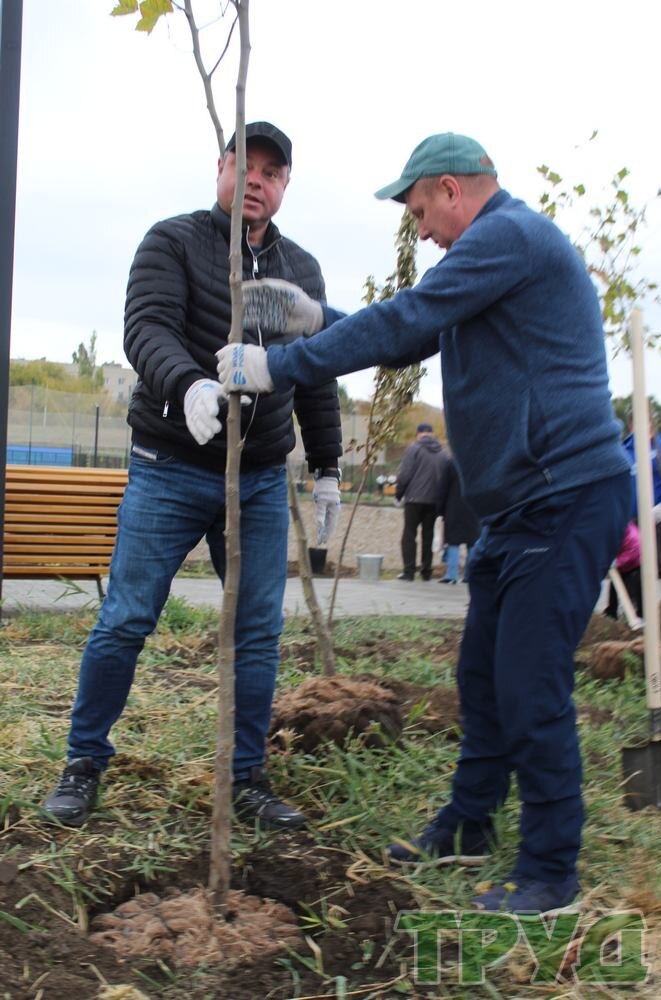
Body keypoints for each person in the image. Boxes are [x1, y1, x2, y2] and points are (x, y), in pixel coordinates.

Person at [217, 132, 632, 915]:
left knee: (528, 684)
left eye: (418, 212)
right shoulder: (485, 271)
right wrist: (317, 319)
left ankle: (550, 871)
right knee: (480, 679)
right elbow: (414, 331)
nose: (420, 231)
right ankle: (468, 825)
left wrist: (278, 366)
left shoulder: (508, 235)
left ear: (450, 189)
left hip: (567, 494)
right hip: (519, 509)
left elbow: (406, 316)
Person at [43, 122, 343, 830]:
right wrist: (189, 387)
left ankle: (245, 777)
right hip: (169, 464)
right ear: (221, 167)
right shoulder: (171, 241)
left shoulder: (301, 270)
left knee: (256, 632)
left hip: (261, 479)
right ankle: (83, 760)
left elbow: (319, 371)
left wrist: (326, 464)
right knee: (126, 619)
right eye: (247, 166)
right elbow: (146, 329)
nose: (257, 181)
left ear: (285, 186)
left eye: (273, 172)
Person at [395, 423, 443, 581]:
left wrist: (398, 494)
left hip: (414, 500)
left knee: (409, 534)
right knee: (428, 536)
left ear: (418, 434)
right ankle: (426, 572)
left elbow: (405, 474)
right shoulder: (442, 452)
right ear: (432, 434)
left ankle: (409, 572)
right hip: (433, 501)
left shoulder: (413, 449)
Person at [623, 415, 661, 579]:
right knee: (633, 565)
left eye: (645, 422)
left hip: (660, 515)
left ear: (651, 424)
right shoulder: (625, 450)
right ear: (630, 426)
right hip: (633, 519)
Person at [436, 452, 480, 584]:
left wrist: (440, 510)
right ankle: (470, 575)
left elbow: (443, 488)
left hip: (454, 508)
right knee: (472, 543)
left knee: (453, 542)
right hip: (473, 508)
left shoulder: (452, 463)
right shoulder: (478, 463)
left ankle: (452, 575)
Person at [604, 521, 642, 620]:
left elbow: (632, 553)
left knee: (634, 590)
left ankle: (640, 615)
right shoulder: (618, 529)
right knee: (614, 588)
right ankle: (611, 612)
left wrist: (617, 562)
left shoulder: (632, 537)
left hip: (636, 565)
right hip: (623, 564)